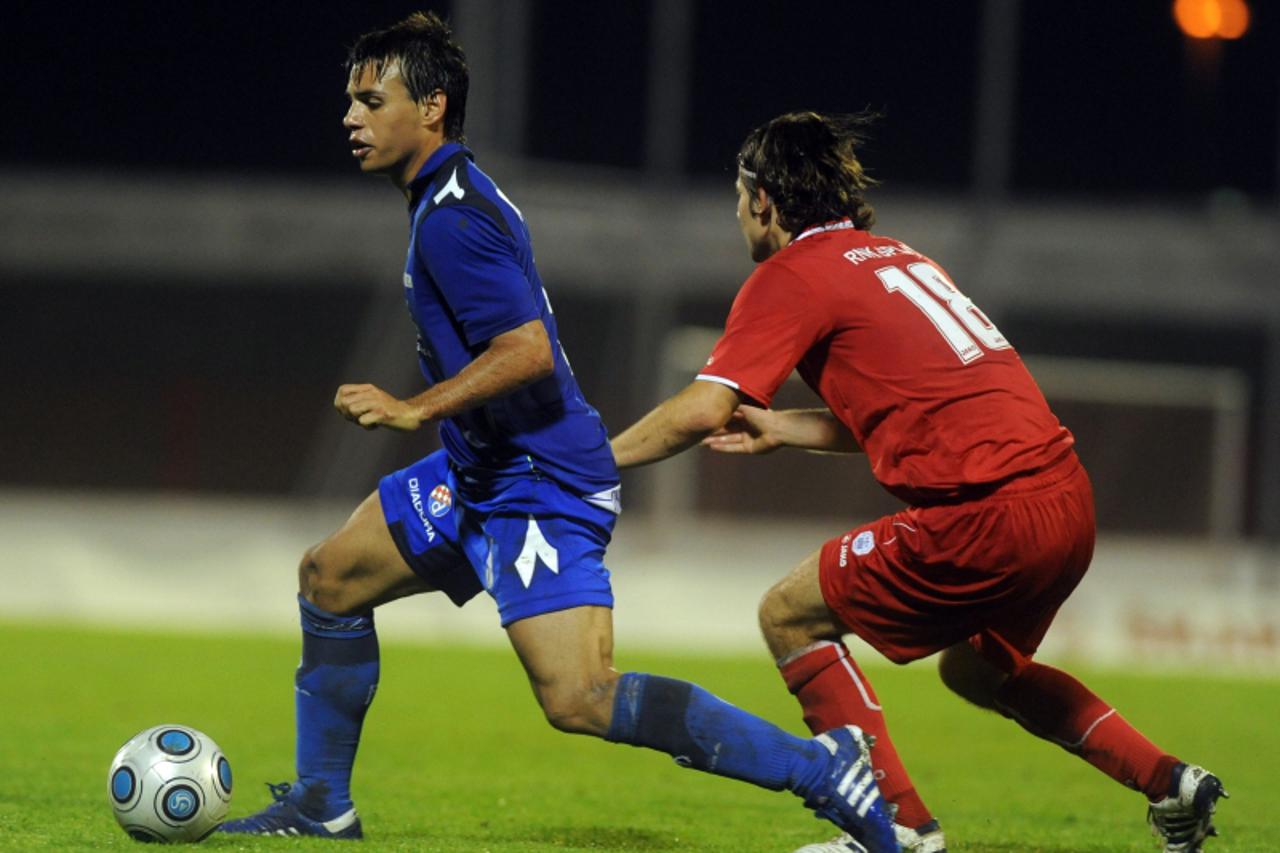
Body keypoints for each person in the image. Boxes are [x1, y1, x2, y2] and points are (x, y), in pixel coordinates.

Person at [218, 14, 900, 851]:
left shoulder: (452, 218)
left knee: (581, 697)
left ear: (431, 107)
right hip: (482, 472)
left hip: (537, 479)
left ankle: (824, 767)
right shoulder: (447, 197)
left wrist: (414, 409)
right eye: (351, 100)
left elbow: (528, 350)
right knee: (329, 578)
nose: (352, 118)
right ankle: (322, 803)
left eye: (372, 99)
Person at [610, 110, 1228, 853]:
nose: (737, 214)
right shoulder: (897, 258)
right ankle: (1171, 783)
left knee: (789, 615)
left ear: (764, 199)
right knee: (976, 670)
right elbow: (903, 410)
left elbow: (703, 406)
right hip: (1065, 502)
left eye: (738, 197)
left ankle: (896, 827)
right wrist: (781, 426)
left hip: (986, 517)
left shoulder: (792, 273)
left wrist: (594, 461)